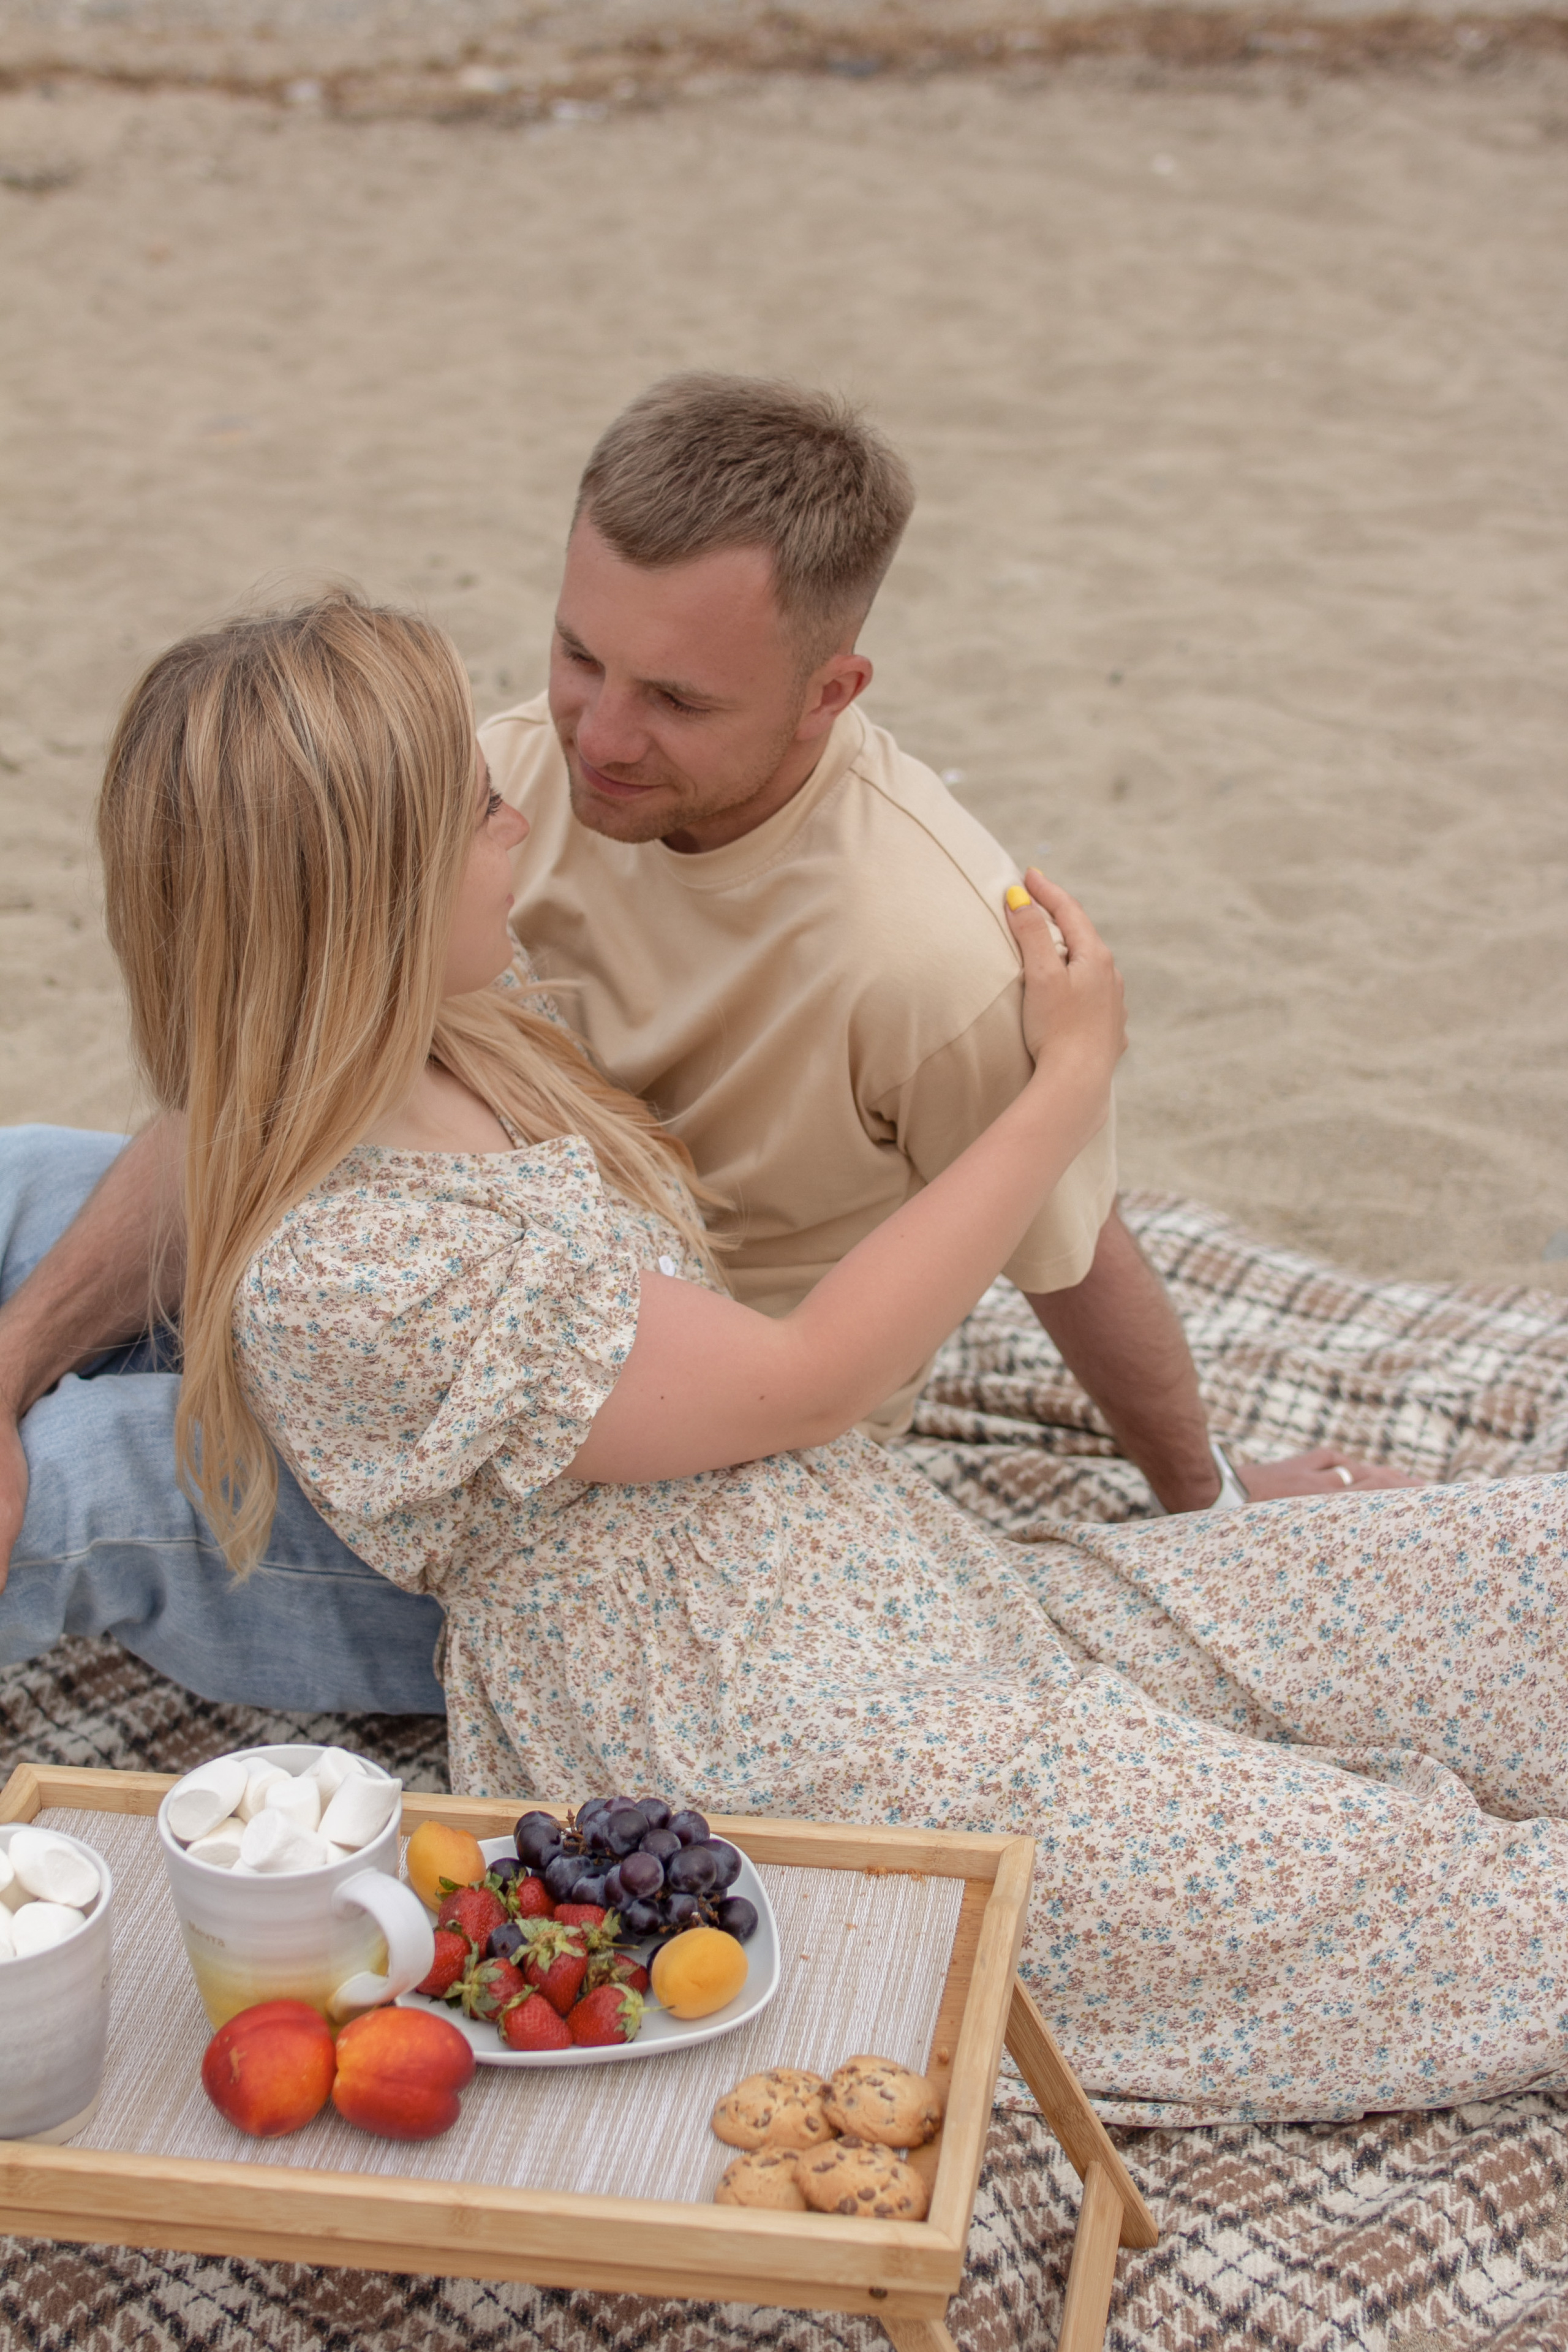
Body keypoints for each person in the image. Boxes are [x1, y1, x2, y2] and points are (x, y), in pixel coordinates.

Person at [96, 591, 1568, 2130]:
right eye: (477, 811)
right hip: (770, 1731)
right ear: (369, 893)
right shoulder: (353, 1265)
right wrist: (1064, 1082)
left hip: (927, 1589)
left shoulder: (461, 1034)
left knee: (1510, 1569)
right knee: (1455, 1913)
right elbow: (806, 1376)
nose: (519, 813)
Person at [0, 376, 1411, 1714]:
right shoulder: (502, 775)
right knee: (26, 1181)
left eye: (675, 700)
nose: (597, 739)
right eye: (578, 657)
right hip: (448, 1275)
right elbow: (287, 1062)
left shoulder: (923, 951)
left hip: (636, 1482)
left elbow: (1064, 1242)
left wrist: (1204, 1497)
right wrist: (13, 1360)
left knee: (97, 1471)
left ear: (828, 692)